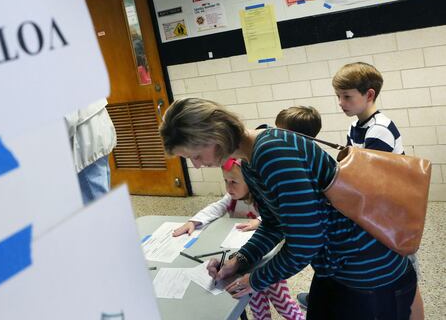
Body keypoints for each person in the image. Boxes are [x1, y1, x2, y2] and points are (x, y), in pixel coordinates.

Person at [160, 98, 417, 320]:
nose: (195, 165)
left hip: (367, 271)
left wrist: (254, 280)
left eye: (194, 155)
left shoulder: (273, 153)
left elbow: (306, 242)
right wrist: (241, 260)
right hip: (335, 266)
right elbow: (273, 224)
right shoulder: (250, 159)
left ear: (213, 136)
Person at [321, 62, 423, 320]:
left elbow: (368, 182)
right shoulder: (356, 126)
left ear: (369, 94)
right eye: (338, 96)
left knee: (404, 275)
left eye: (347, 97)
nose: (341, 103)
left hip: (392, 214)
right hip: (374, 209)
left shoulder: (379, 129)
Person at [173, 158, 303, 320]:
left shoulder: (264, 197)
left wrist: (260, 220)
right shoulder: (231, 197)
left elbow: (277, 217)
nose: (229, 188)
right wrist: (194, 221)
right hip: (243, 264)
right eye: (226, 181)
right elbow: (216, 207)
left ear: (250, 181)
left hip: (269, 264)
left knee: (283, 304)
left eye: (234, 181)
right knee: (257, 307)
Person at [64, 98, 117, 204]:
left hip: (84, 140)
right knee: (101, 191)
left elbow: (68, 118)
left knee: (94, 199)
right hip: (96, 127)